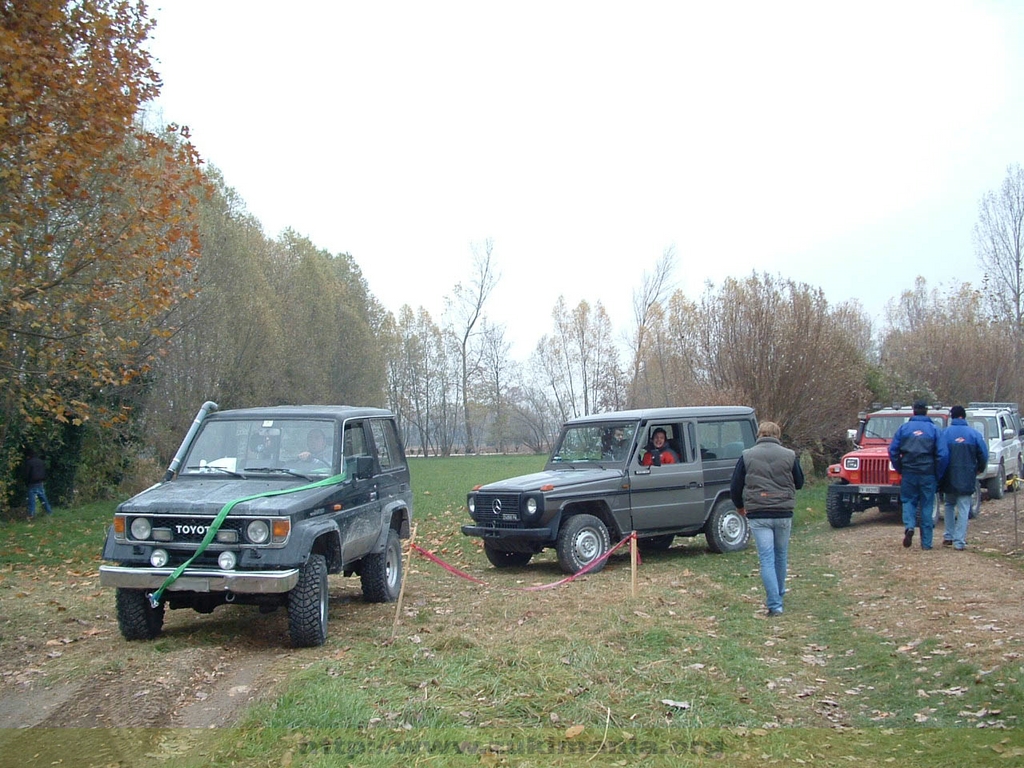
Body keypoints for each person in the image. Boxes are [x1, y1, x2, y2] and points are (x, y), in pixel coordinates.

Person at [729, 421, 804, 617]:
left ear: (759, 434)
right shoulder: (789, 455)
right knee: (781, 556)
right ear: (778, 435)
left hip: (758, 513)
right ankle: (778, 594)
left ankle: (775, 604)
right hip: (783, 512)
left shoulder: (747, 455)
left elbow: (735, 485)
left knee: (767, 558)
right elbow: (800, 482)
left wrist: (739, 506)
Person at [888, 399, 948, 550]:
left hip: (909, 471)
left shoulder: (904, 429)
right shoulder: (934, 429)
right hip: (928, 473)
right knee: (927, 505)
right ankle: (926, 544)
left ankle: (909, 526)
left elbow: (892, 451)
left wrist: (900, 467)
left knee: (908, 501)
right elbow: (943, 455)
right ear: (926, 411)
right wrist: (938, 473)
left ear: (913, 411)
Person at [939, 405, 988, 551]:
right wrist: (979, 468)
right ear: (964, 416)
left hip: (949, 476)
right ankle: (959, 541)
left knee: (948, 505)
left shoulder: (945, 434)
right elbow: (983, 454)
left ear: (952, 417)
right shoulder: (974, 434)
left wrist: (940, 473)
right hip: (967, 476)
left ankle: (948, 536)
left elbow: (940, 455)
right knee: (964, 507)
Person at [25, 448, 54, 520]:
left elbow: (27, 474)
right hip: (40, 482)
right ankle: (49, 511)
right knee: (43, 498)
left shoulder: (29, 462)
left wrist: (26, 482)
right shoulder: (41, 462)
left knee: (32, 500)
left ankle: (31, 514)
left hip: (32, 483)